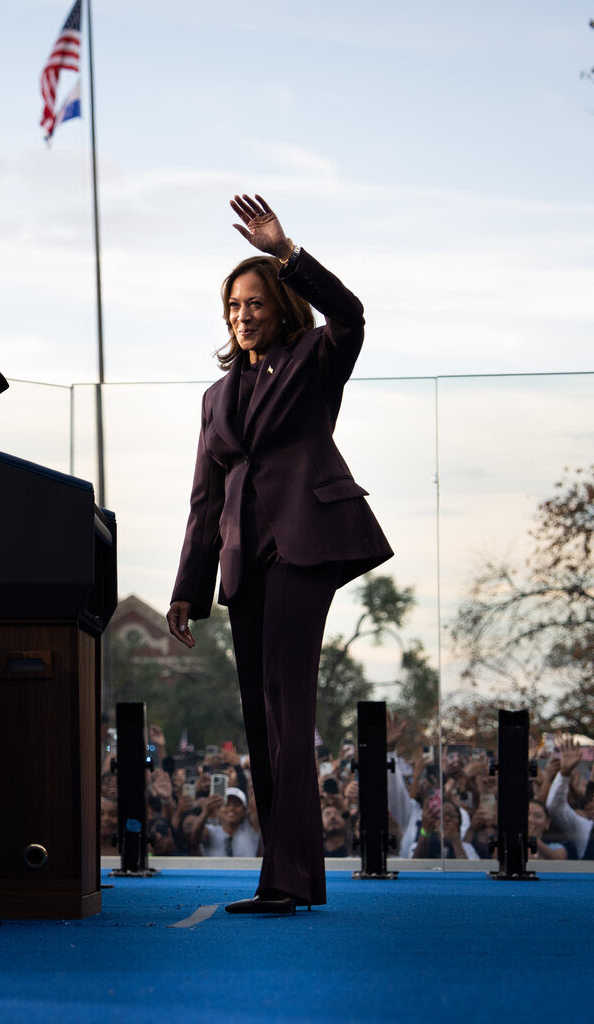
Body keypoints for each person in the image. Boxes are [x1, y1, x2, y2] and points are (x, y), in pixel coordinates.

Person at [167, 193, 392, 915]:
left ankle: (288, 879)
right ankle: (291, 875)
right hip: (244, 564)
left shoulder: (313, 360)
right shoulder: (215, 396)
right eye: (234, 305)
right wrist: (186, 589)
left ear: (283, 305)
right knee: (262, 719)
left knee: (288, 707)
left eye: (256, 301)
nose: (244, 314)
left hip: (305, 545)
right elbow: (205, 499)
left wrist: (288, 252)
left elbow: (352, 315)